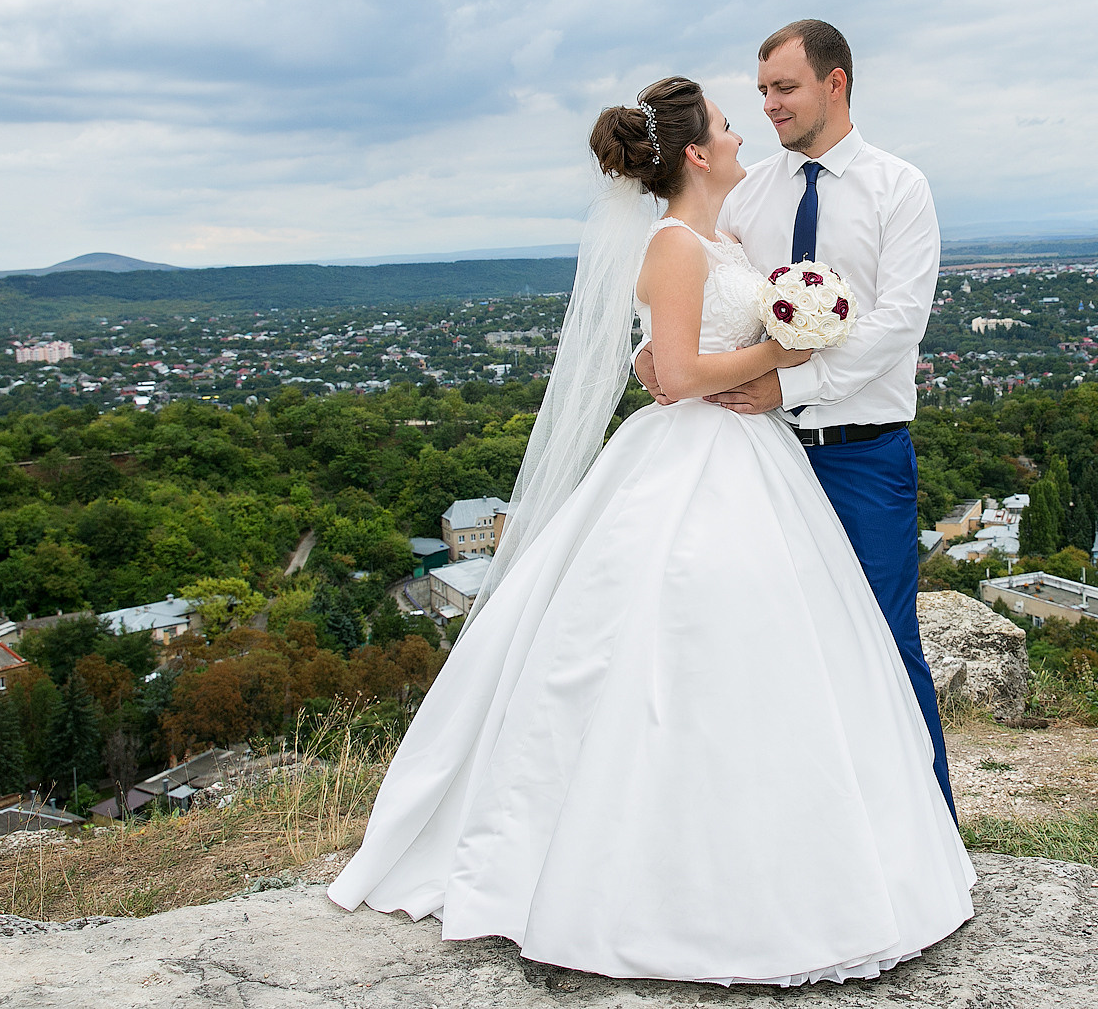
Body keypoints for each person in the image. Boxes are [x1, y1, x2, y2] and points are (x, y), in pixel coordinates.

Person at [327, 75, 974, 986]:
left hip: (756, 453)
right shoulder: (673, 243)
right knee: (665, 643)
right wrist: (783, 352)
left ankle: (819, 847)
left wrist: (771, 337)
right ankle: (649, 877)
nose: (743, 127)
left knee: (785, 652)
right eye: (726, 120)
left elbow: (664, 352)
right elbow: (673, 373)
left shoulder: (726, 230)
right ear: (698, 154)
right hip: (697, 454)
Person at [635, 20, 953, 815]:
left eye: (785, 88)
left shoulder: (899, 187)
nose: (770, 105)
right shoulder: (749, 192)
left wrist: (793, 386)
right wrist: (655, 356)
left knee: (884, 640)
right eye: (762, 92)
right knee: (780, 650)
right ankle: (814, 829)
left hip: (863, 454)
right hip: (760, 458)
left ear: (834, 84)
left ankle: (926, 829)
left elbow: (898, 322)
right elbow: (704, 289)